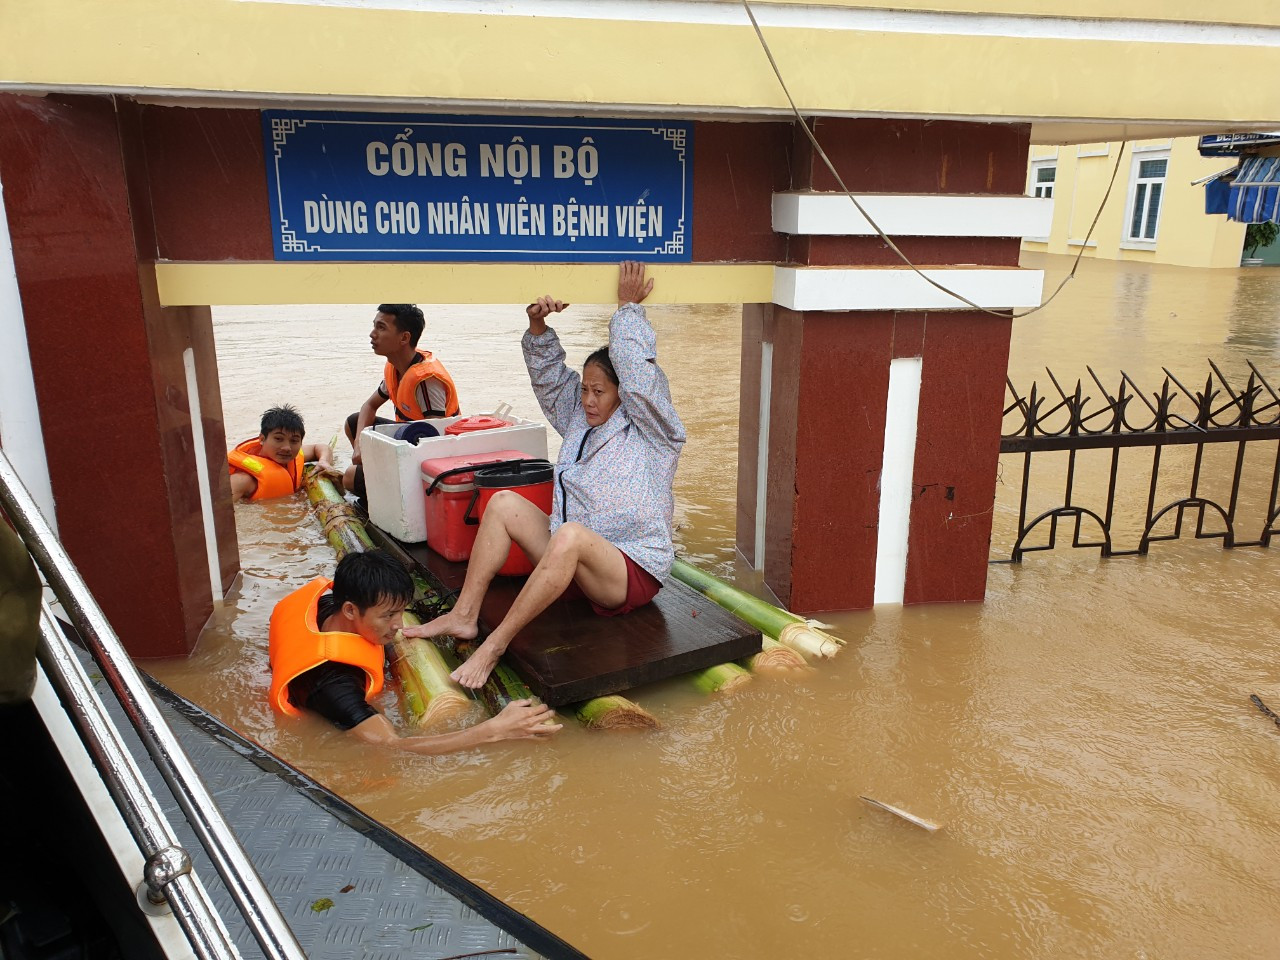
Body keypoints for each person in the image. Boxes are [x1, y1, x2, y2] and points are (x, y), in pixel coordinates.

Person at [402, 261, 685, 688]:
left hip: (627, 572)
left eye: (599, 391)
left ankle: (494, 645)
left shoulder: (654, 431)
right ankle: (464, 614)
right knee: (503, 503)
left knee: (569, 534)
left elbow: (642, 379)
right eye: (585, 389)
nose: (588, 400)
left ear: (624, 394)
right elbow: (552, 381)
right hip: (573, 566)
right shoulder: (581, 419)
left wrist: (627, 310)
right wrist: (538, 327)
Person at [268, 550, 560, 752]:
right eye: (388, 616)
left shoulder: (326, 606)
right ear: (350, 610)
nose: (398, 625)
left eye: (401, 612)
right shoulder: (334, 685)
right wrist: (493, 731)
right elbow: (393, 746)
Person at [342, 304, 461, 502]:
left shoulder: (426, 381)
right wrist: (359, 446)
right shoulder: (395, 366)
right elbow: (369, 406)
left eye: (381, 328)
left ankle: (389, 498)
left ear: (404, 338)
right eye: (374, 326)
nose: (372, 334)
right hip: (405, 441)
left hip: (425, 458)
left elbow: (436, 443)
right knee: (353, 423)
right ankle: (377, 485)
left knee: (349, 477)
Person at [228, 404, 335, 503]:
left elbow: (322, 447)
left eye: (294, 440)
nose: (287, 448)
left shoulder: (294, 457)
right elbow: (222, 511)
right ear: (262, 439)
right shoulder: (242, 480)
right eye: (279, 439)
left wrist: (324, 461)